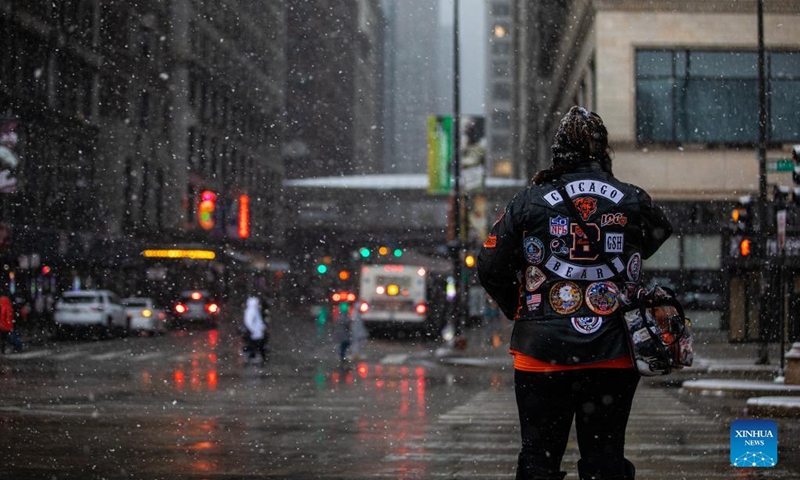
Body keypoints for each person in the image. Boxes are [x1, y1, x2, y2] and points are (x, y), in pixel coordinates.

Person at [477, 106, 673, 480]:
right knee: (605, 459)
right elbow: (656, 235)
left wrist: (518, 307)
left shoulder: (529, 201)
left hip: (541, 353)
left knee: (538, 460)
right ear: (604, 152)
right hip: (612, 353)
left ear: (558, 153)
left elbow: (489, 265)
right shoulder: (632, 200)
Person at [243, 296, 268, 366]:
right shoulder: (252, 310)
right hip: (256, 333)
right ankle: (252, 357)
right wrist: (253, 329)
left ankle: (254, 356)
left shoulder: (255, 309)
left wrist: (262, 327)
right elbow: (249, 322)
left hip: (258, 332)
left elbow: (258, 321)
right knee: (255, 345)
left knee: (257, 345)